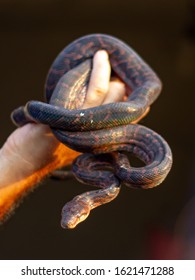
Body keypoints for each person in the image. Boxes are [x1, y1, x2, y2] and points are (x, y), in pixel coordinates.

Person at [0, 50, 126, 221]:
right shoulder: (111, 183)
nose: (69, 223)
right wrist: (20, 159)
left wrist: (18, 159)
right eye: (75, 217)